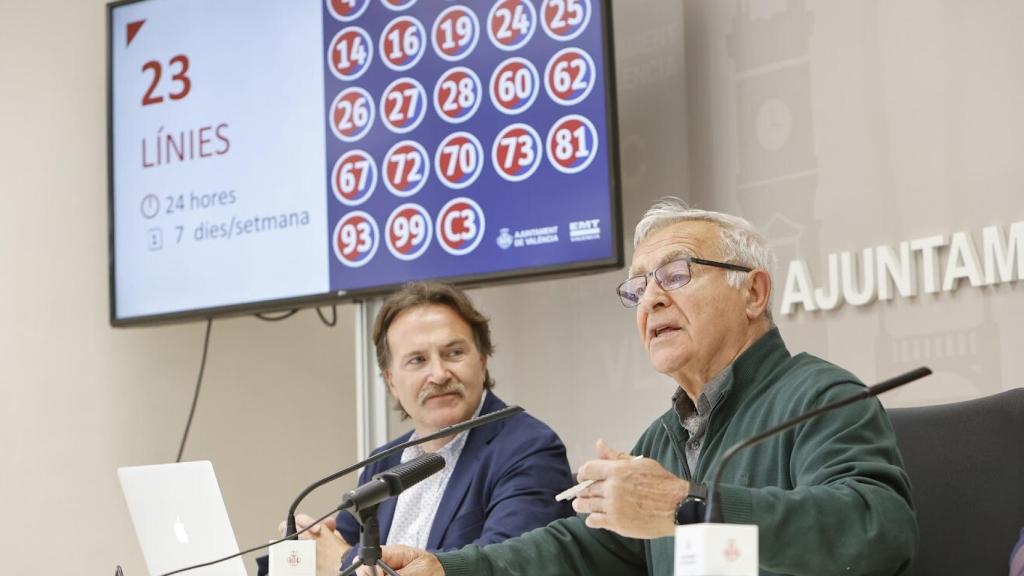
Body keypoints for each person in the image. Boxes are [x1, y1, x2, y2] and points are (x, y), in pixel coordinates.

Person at [375, 198, 918, 576]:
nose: (652, 298)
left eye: (676, 274)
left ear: (753, 293)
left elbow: (877, 528)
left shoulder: (821, 398)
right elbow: (580, 550)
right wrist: (449, 567)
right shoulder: (665, 437)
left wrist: (690, 504)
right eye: (639, 287)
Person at [259, 282, 575, 576]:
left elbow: (502, 567)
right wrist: (310, 547)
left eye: (454, 353)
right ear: (392, 382)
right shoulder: (381, 463)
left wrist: (342, 560)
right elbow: (337, 547)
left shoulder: (528, 448)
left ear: (482, 361)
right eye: (417, 360)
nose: (438, 374)